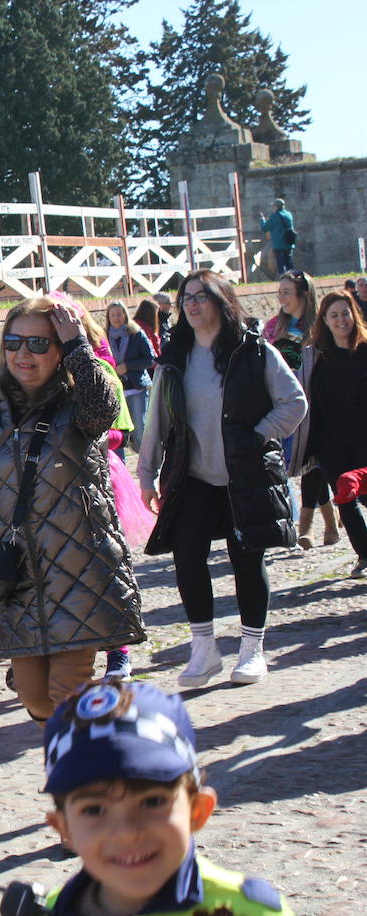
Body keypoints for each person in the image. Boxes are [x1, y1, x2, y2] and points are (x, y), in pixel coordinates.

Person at [0, 296, 143, 723]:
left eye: (39, 344)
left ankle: (89, 777)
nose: (24, 354)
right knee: (35, 699)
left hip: (77, 570)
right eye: (14, 341)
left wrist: (79, 345)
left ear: (59, 350)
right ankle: (104, 739)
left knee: (65, 693)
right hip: (18, 575)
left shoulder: (78, 404)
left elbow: (106, 408)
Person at [140, 270, 306, 688]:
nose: (192, 304)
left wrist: (257, 435)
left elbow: (294, 401)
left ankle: (252, 648)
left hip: (244, 473)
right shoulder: (174, 357)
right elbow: (157, 421)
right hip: (191, 476)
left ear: (221, 300)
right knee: (187, 558)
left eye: (201, 296)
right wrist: (146, 473)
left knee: (247, 559)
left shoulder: (255, 352)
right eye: (186, 299)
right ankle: (204, 649)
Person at [1, 679, 293, 915]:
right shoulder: (53, 908)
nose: (127, 833)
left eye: (152, 801)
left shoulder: (248, 910)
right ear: (64, 829)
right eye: (94, 809)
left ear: (197, 810)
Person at [265, 270, 338, 550]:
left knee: (313, 463)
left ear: (302, 294)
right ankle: (330, 526)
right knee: (301, 464)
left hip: (318, 407)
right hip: (286, 406)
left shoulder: (320, 328)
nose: (280, 296)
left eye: (286, 291)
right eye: (279, 290)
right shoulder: (274, 328)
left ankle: (304, 528)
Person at [305, 292, 367, 579]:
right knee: (345, 499)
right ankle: (364, 555)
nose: (341, 320)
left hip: (364, 439)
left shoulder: (365, 350)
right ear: (325, 322)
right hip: (331, 443)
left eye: (345, 313)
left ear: (354, 315)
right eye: (334, 315)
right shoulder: (318, 359)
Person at [106, 300, 156, 458]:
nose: (116, 317)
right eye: (113, 314)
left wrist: (128, 366)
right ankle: (123, 467)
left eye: (119, 314)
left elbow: (150, 359)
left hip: (137, 387)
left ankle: (147, 462)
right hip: (116, 391)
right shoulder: (104, 337)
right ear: (108, 317)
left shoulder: (136, 333)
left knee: (139, 431)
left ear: (125, 315)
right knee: (119, 432)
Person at [259, 198, 296, 275]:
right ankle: (292, 280)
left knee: (281, 266)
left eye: (274, 206)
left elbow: (264, 228)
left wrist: (262, 220)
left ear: (276, 207)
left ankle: (283, 280)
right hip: (289, 243)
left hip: (279, 244)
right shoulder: (289, 214)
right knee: (289, 264)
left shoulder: (274, 216)